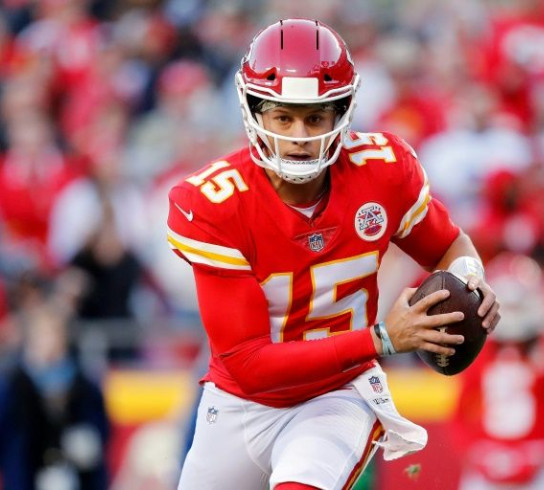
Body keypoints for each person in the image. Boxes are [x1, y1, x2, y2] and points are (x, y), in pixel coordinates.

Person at [167, 19, 500, 490]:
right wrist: (383, 338)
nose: (300, 135)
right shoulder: (214, 203)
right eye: (284, 117)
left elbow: (449, 247)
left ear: (341, 114)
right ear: (256, 115)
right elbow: (249, 363)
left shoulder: (381, 173)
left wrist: (471, 278)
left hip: (336, 395)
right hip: (241, 402)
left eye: (315, 117)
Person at [451, 253, 544, 490]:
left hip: (537, 472)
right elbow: (458, 414)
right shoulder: (478, 352)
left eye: (517, 305)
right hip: (488, 470)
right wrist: (476, 452)